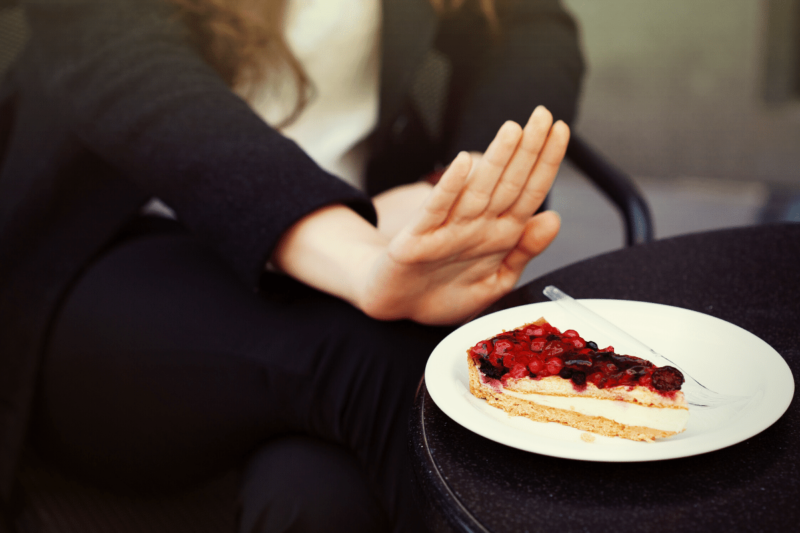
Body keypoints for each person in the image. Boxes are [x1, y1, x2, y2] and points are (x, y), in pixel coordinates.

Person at [0, 0, 584, 531]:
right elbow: (134, 73)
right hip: (110, 270)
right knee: (403, 371)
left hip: (369, 236)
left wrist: (461, 184)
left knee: (317, 501)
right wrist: (359, 260)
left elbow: (530, 24)